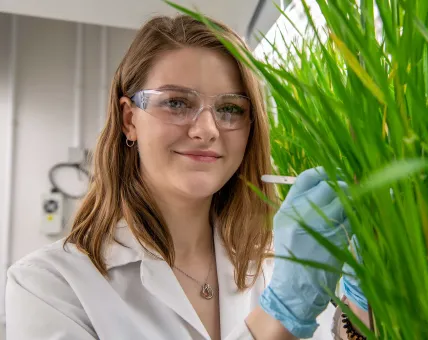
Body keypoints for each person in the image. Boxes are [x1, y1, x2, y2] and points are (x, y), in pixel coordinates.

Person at [4, 14, 369, 340]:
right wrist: (281, 318)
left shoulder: (279, 264)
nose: (207, 130)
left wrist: (361, 301)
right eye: (176, 102)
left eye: (230, 109)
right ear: (130, 119)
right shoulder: (49, 284)